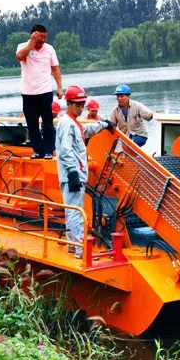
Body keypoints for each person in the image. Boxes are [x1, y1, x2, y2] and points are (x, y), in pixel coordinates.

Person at [56, 85, 115, 258]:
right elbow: (66, 150)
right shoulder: (67, 124)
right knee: (75, 211)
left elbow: (85, 131)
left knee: (72, 210)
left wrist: (103, 125)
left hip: (74, 174)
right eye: (77, 104)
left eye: (82, 104)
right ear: (68, 103)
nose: (81, 107)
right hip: (72, 176)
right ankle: (81, 249)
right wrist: (73, 173)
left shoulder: (73, 122)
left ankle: (72, 245)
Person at [16, 24, 63, 159]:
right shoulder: (22, 46)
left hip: (45, 91)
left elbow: (55, 69)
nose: (42, 40)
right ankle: (37, 150)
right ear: (32, 35)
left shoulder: (49, 49)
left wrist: (59, 87)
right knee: (32, 123)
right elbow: (19, 57)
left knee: (48, 122)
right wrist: (31, 43)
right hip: (28, 92)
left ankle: (48, 150)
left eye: (44, 37)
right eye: (39, 36)